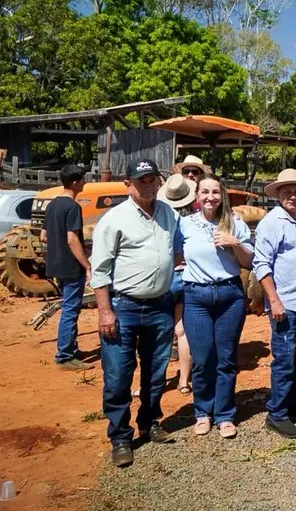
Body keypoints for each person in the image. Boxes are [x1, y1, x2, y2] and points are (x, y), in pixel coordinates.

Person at [90, 157, 178, 468]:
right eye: (142, 180)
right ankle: (120, 437)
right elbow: (100, 270)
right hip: (123, 307)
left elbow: (177, 250)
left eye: (152, 179)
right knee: (118, 376)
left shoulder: (168, 213)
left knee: (156, 372)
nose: (148, 185)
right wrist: (105, 311)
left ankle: (150, 422)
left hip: (160, 306)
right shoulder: (114, 219)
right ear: (128, 184)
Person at [175, 174, 252, 439]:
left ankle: (225, 414)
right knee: (203, 357)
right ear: (197, 196)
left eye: (215, 192)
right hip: (196, 296)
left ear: (222, 195)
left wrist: (235, 243)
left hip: (229, 294)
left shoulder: (234, 223)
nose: (210, 197)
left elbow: (248, 261)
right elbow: (175, 254)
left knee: (226, 358)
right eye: (205, 192)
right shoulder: (185, 225)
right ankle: (202, 412)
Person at [253, 168, 296, 439]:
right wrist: (274, 300)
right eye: (287, 192)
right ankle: (277, 413)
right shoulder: (272, 223)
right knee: (284, 358)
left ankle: (295, 401)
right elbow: (261, 264)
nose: (292, 196)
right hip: (284, 303)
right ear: (278, 195)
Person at [42, 164, 93, 371]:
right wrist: (87, 265)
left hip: (55, 265)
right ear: (75, 183)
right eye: (83, 179)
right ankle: (64, 356)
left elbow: (44, 235)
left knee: (69, 307)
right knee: (71, 310)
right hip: (71, 267)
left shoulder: (52, 205)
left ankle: (70, 347)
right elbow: (72, 239)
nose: (85, 182)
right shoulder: (73, 207)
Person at [158, 174, 197, 395]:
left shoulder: (163, 220)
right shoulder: (194, 222)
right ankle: (183, 380)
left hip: (166, 278)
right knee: (182, 331)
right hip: (188, 277)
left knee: (161, 332)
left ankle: (156, 381)